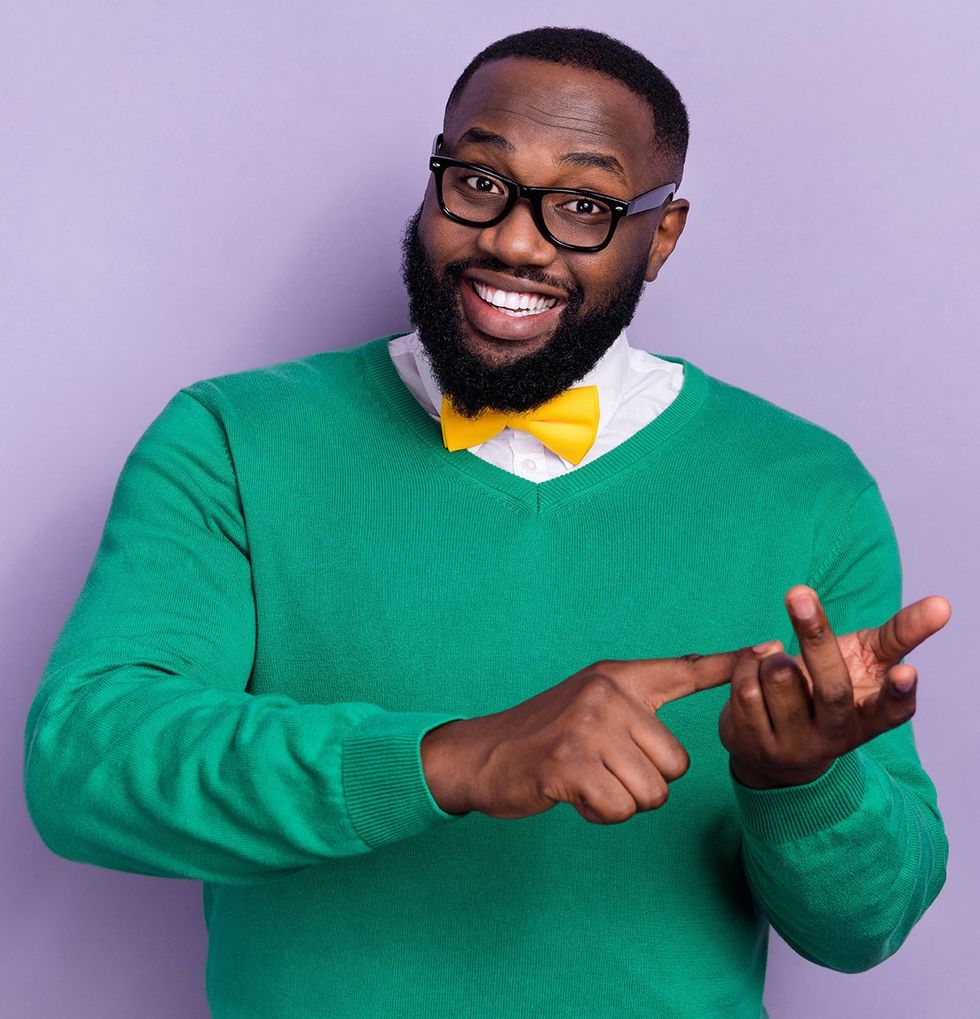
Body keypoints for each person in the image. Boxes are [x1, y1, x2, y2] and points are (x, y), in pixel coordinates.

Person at [24, 26, 950, 1019]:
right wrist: (458, 756)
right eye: (477, 180)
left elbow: (864, 927)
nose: (513, 237)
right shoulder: (233, 440)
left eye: (583, 206)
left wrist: (800, 779)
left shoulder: (803, 487)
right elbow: (87, 759)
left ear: (661, 237)